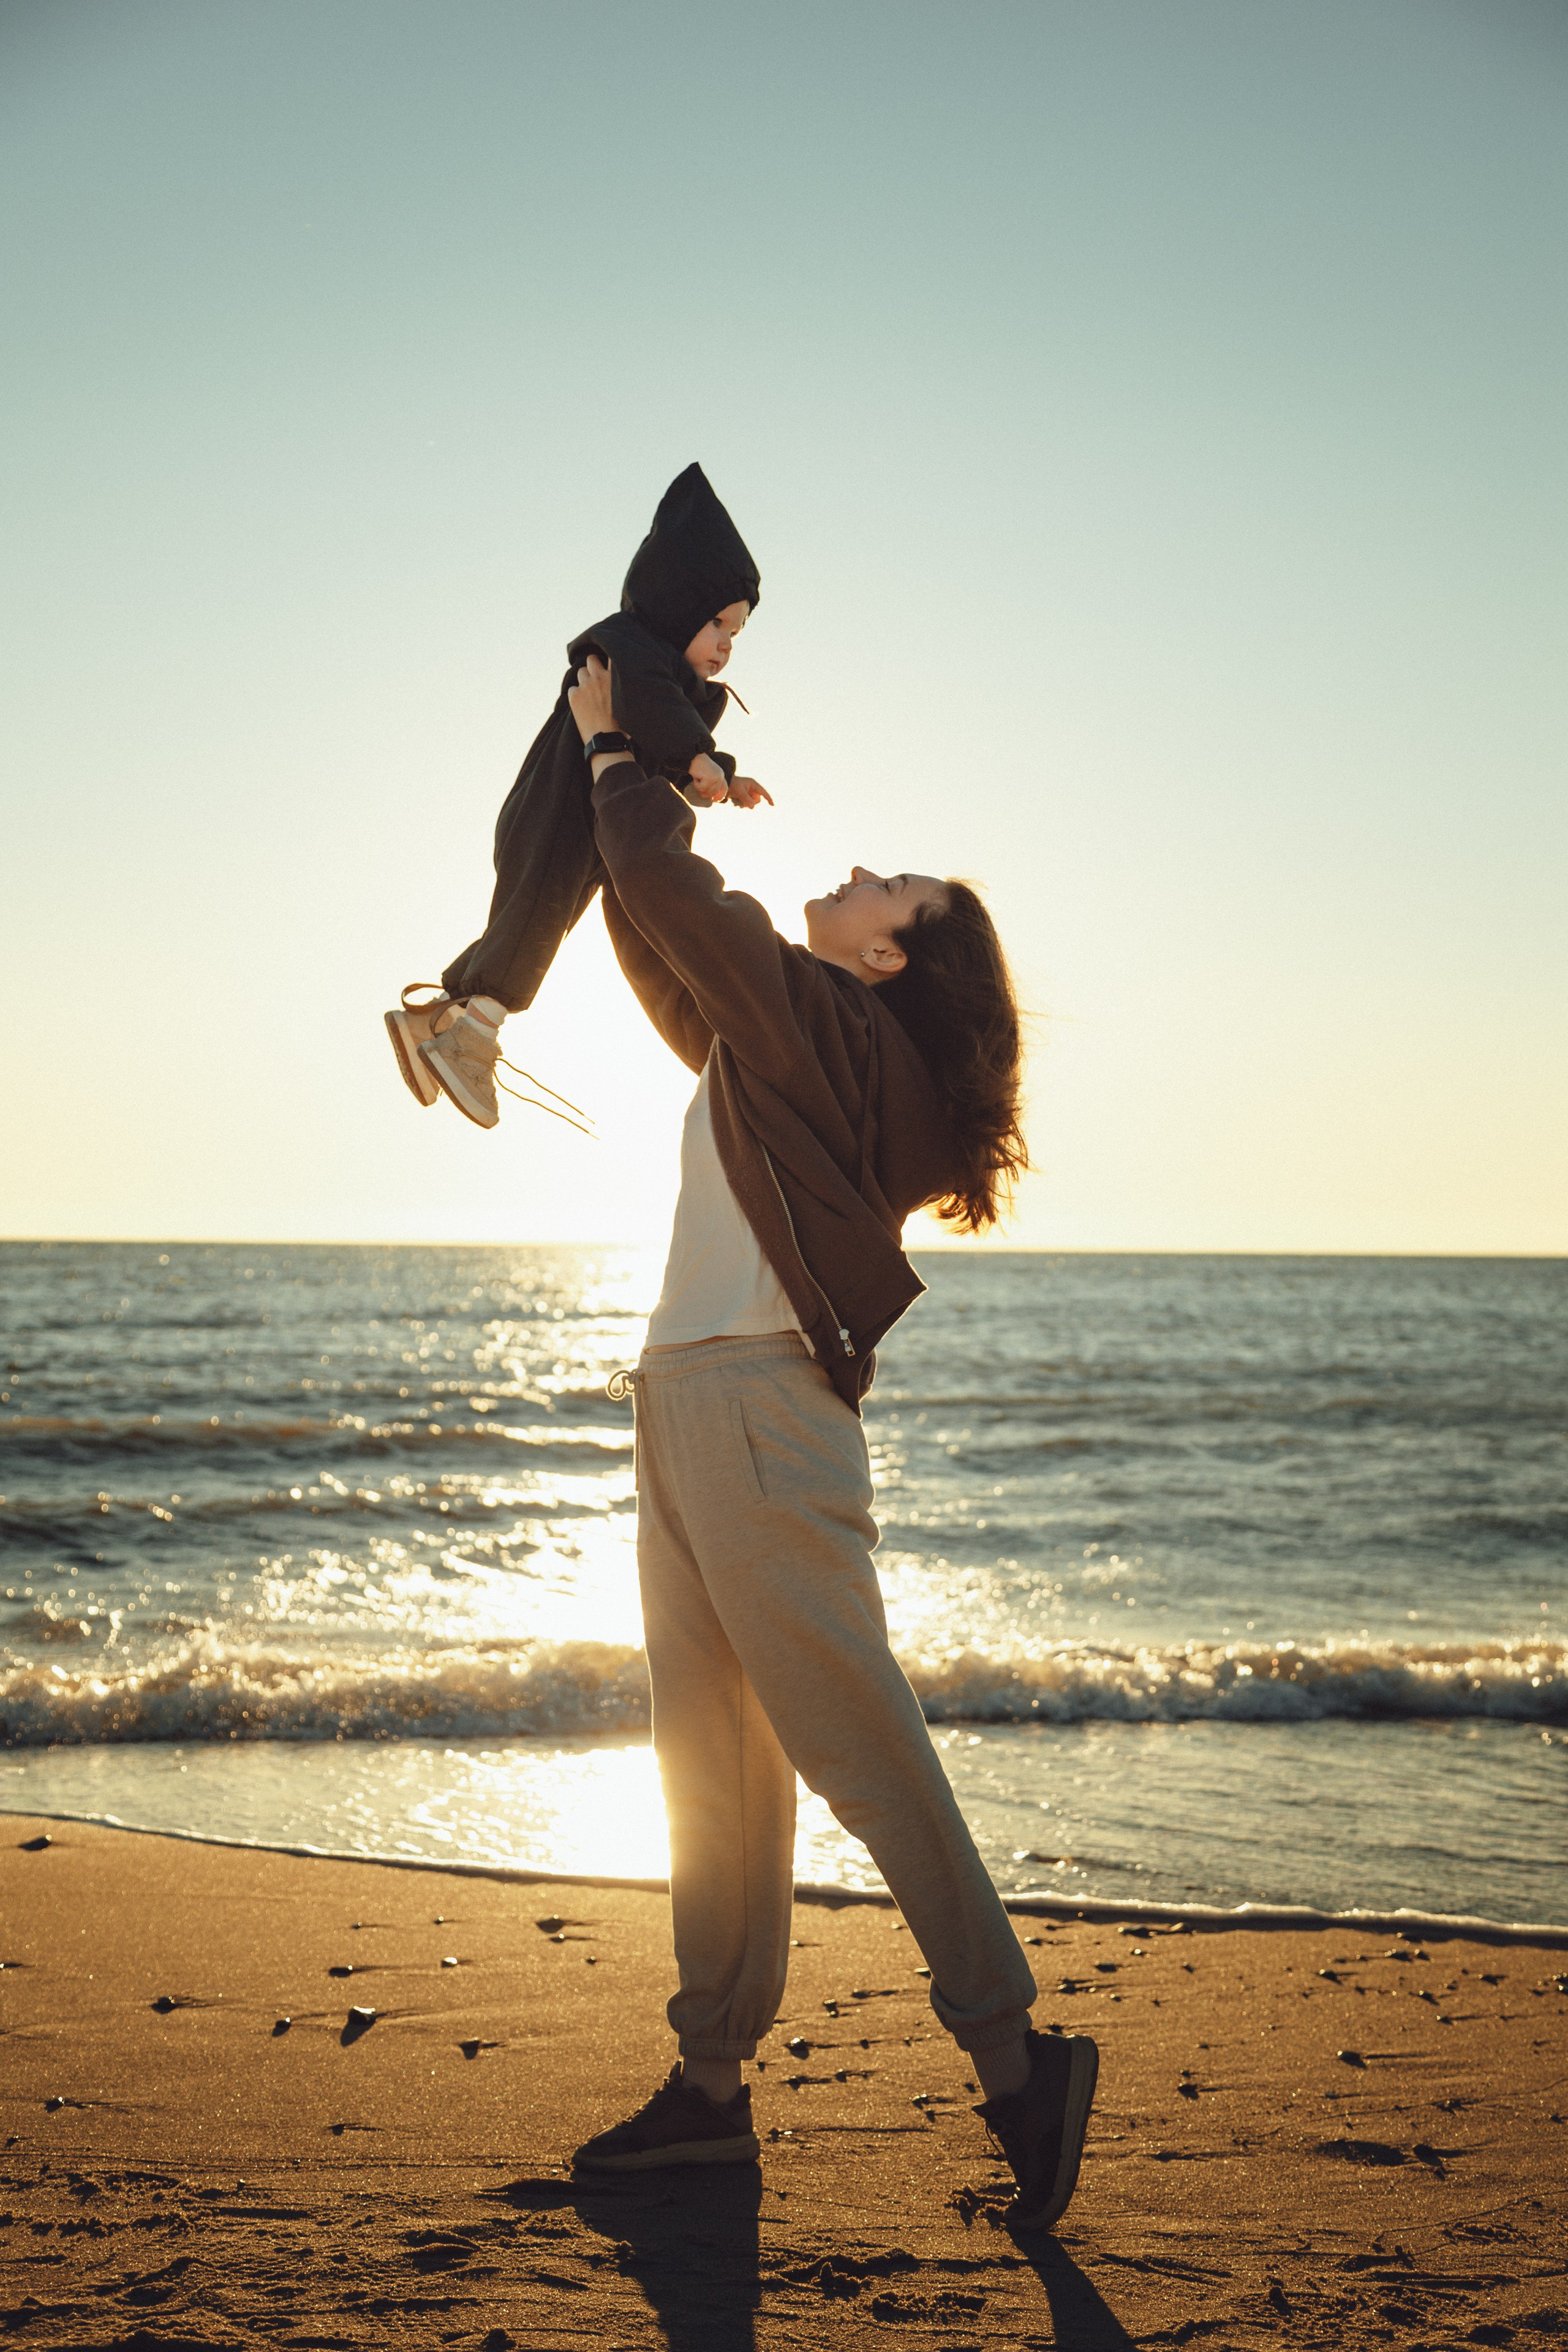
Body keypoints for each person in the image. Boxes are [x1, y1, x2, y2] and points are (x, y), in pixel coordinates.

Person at [560, 654, 1099, 2231]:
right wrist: (640, 783)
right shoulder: (796, 1045)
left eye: (888, 885)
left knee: (856, 1747)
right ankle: (708, 2090)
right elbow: (660, 925)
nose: (856, 871)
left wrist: (618, 752)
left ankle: (1014, 2061)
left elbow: (680, 896)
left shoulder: (835, 1036)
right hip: (687, 1401)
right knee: (711, 1768)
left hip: (752, 1410)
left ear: (885, 957)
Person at [385, 464, 767, 1131]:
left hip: (594, 828)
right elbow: (647, 705)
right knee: (535, 921)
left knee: (536, 923)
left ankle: (434, 1021)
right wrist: (700, 755)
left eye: (737, 633)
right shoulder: (631, 648)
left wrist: (717, 779)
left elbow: (660, 742)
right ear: (677, 605)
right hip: (557, 813)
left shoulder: (679, 692)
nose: (726, 645)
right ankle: (472, 1037)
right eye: (717, 624)